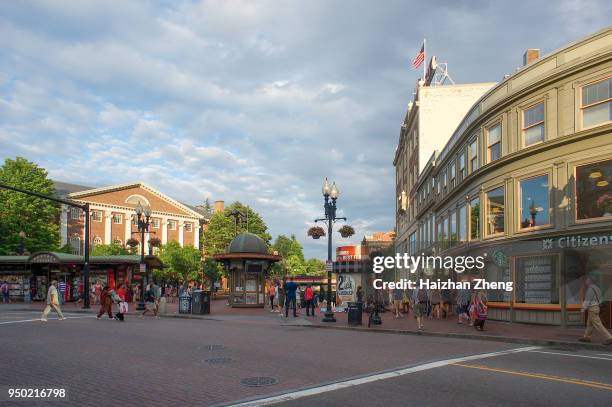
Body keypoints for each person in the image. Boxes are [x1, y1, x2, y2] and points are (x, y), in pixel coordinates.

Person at [579, 274, 612, 345]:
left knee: (598, 324)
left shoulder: (590, 289)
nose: (586, 281)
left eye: (587, 280)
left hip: (592, 308)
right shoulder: (597, 288)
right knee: (589, 324)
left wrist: (582, 309)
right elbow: (600, 299)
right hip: (596, 307)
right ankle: (587, 337)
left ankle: (609, 338)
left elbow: (587, 300)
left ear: (590, 281)